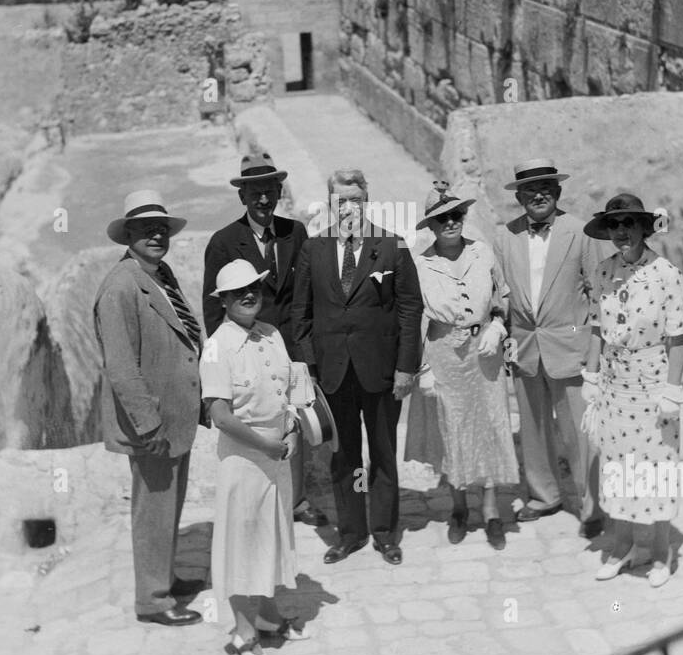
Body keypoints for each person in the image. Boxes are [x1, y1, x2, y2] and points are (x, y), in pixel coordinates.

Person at [290, 168, 422, 566]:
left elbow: (410, 309)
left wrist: (406, 367)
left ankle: (384, 532)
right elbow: (302, 313)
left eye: (355, 199)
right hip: (333, 373)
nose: (348, 207)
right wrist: (309, 369)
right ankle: (351, 534)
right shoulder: (314, 249)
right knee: (343, 454)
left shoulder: (391, 245)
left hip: (380, 370)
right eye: (340, 200)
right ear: (331, 202)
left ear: (368, 200)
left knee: (382, 452)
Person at [93, 189, 205, 627]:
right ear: (128, 235)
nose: (157, 236)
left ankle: (166, 578)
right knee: (153, 510)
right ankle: (153, 601)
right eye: (145, 230)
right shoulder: (120, 286)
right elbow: (121, 367)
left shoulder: (159, 274)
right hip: (153, 425)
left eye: (162, 229)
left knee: (168, 508)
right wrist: (148, 424)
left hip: (175, 417)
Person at [202, 152, 323, 528]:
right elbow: (213, 309)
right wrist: (227, 358)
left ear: (278, 191)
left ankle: (297, 500)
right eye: (255, 192)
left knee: (295, 424)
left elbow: (308, 295)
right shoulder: (224, 242)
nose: (264, 200)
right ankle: (263, 502)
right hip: (248, 354)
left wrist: (308, 354)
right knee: (257, 426)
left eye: (270, 191)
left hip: (292, 348)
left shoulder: (295, 232)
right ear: (243, 197)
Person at [199, 259, 310, 655]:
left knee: (271, 536)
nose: (249, 296)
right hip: (245, 458)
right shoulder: (218, 345)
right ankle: (244, 631)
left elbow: (292, 388)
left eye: (255, 290)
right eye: (238, 292)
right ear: (224, 300)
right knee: (242, 543)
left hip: (276, 453)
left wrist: (293, 428)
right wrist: (265, 446)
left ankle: (266, 615)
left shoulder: (271, 335)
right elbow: (221, 416)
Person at [492, 158, 609, 538]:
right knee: (533, 427)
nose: (538, 195)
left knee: (579, 431)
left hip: (571, 347)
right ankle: (544, 496)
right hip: (525, 347)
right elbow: (501, 294)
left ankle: (592, 508)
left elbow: (599, 295)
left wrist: (592, 350)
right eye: (530, 190)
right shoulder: (504, 236)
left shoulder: (581, 232)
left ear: (557, 193)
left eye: (545, 188)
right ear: (519, 197)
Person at [581, 193, 683, 587]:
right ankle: (622, 547)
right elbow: (597, 326)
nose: (622, 231)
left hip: (652, 382)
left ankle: (661, 555)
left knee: (657, 467)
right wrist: (590, 377)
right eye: (615, 224)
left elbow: (678, 336)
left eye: (629, 223)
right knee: (617, 468)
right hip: (614, 384)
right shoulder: (603, 271)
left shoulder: (666, 273)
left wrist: (672, 390)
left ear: (644, 227)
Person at [409, 182, 520, 550]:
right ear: (431, 225)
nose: (451, 223)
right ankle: (458, 507)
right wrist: (422, 367)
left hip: (484, 350)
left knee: (489, 422)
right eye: (442, 218)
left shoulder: (483, 253)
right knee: (452, 427)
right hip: (444, 351)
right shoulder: (421, 263)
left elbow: (503, 296)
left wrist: (499, 327)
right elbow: (414, 318)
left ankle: (490, 510)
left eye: (456, 214)